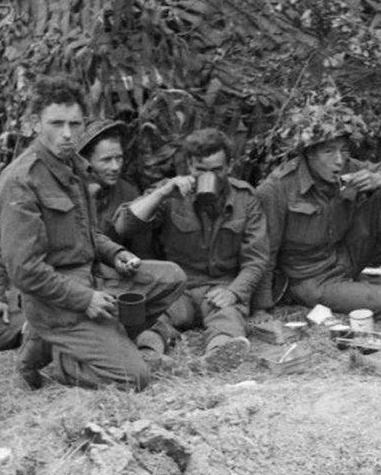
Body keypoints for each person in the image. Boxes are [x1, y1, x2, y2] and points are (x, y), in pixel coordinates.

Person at [0, 75, 185, 390]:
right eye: (56, 123)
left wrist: (116, 253)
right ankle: (64, 362)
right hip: (55, 303)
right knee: (135, 378)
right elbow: (25, 271)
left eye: (75, 124)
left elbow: (86, 235)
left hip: (92, 280)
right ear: (33, 123)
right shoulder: (21, 181)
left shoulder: (74, 169)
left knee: (171, 277)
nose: (67, 134)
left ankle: (89, 344)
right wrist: (85, 300)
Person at [253, 99, 381, 317]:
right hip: (310, 278)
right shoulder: (277, 188)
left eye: (343, 151)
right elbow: (264, 252)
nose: (338, 160)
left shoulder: (350, 167)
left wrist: (379, 178)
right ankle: (380, 289)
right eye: (329, 152)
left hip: (347, 258)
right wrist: (262, 306)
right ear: (308, 153)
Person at [115, 127, 268, 371]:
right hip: (180, 287)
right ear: (189, 166)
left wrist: (236, 291)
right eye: (201, 170)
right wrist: (164, 193)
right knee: (157, 315)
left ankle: (219, 354)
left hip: (220, 287)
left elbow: (257, 259)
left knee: (228, 317)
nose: (210, 176)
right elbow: (125, 226)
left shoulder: (245, 199)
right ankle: (149, 355)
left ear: (229, 167)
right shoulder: (171, 192)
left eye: (217, 170)